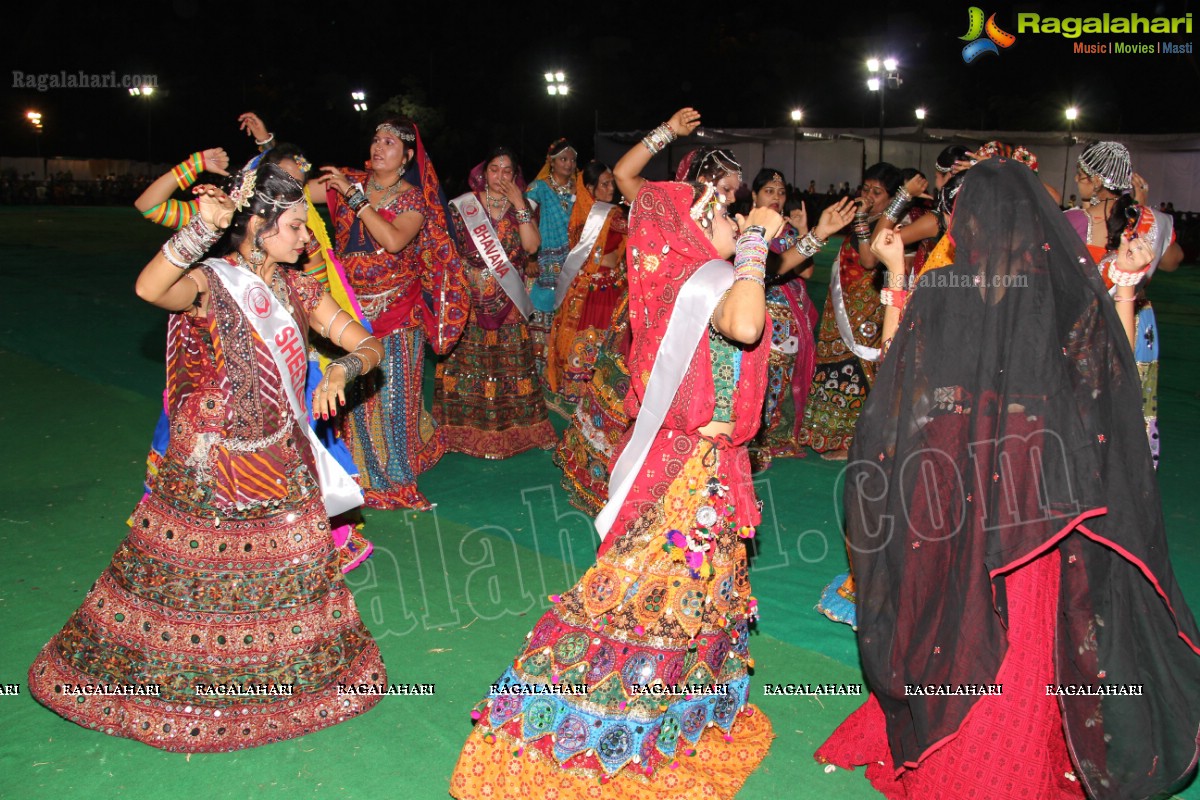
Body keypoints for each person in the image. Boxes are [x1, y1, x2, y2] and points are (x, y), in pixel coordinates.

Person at [816, 158, 1200, 798]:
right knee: (1021, 613)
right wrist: (1125, 288)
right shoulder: (1059, 291)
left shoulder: (945, 291)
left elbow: (891, 390)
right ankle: (1021, 738)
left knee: (955, 608)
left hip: (952, 473)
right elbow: (1116, 391)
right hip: (1033, 480)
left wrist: (896, 277)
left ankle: (974, 753)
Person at [451, 138, 783, 796]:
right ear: (693, 229)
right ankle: (583, 730)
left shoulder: (687, 278)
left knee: (695, 598)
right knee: (641, 598)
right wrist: (755, 248)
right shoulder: (705, 283)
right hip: (685, 480)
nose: (735, 221)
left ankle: (673, 718)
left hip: (707, 472)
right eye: (723, 215)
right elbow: (745, 326)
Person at [28, 164, 388, 751]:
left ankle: (280, 688)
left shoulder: (301, 289)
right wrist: (199, 230)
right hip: (213, 465)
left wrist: (346, 366)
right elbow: (151, 289)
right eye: (296, 226)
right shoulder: (211, 282)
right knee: (191, 590)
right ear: (258, 227)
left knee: (288, 586)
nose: (307, 238)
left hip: (282, 455)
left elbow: (366, 344)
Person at [312, 117, 468, 509]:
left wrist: (356, 199)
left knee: (393, 394)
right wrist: (268, 143)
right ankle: (352, 472)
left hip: (398, 310)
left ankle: (392, 477)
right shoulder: (345, 180)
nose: (378, 148)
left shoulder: (413, 198)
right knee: (353, 395)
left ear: (407, 156)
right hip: (350, 309)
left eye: (389, 143)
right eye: (376, 140)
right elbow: (288, 186)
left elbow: (395, 240)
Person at [1065, 141, 1184, 469]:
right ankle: (1130, 472)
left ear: (1095, 182)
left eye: (1079, 174)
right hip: (1138, 320)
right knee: (1130, 400)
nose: (1076, 180)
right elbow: (1173, 261)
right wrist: (1143, 214)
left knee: (1086, 409)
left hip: (1087, 325)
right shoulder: (1154, 221)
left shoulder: (1072, 221)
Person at [436, 148, 557, 459]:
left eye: (507, 170)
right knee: (466, 361)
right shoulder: (463, 206)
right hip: (469, 296)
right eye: (494, 169)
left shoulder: (528, 205)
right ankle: (459, 430)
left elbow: (531, 247)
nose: (500, 176)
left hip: (509, 298)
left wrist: (518, 203)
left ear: (515, 175)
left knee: (512, 362)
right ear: (483, 172)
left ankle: (522, 429)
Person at [746, 168, 854, 471]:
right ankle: (749, 435)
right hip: (755, 313)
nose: (776, 197)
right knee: (753, 377)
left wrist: (806, 231)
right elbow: (770, 269)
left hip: (788, 317)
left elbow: (805, 272)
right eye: (769, 191)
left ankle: (769, 434)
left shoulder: (789, 231)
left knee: (778, 380)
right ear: (754, 196)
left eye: (780, 193)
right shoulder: (746, 230)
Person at [544, 160, 628, 416]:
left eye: (612, 182)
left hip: (612, 284)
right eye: (604, 184)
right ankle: (582, 392)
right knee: (592, 337)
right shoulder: (599, 216)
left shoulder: (608, 212)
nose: (611, 188)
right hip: (593, 289)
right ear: (590, 188)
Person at [525, 138, 583, 383]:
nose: (568, 164)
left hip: (573, 260)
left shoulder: (580, 189)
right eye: (563, 159)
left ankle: (560, 373)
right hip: (545, 259)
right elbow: (523, 220)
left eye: (571, 159)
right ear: (551, 161)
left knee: (569, 312)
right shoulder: (538, 188)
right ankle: (535, 371)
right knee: (541, 311)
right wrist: (530, 256)